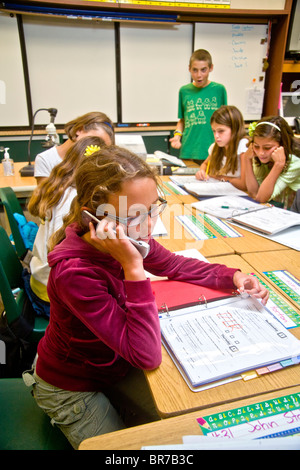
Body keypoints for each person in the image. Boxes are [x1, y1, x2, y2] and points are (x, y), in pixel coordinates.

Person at [22, 145, 269, 449]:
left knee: (180, 417)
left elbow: (173, 264)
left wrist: (232, 276)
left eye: (153, 209)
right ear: (95, 219)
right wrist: (133, 267)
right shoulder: (76, 273)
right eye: (137, 215)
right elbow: (146, 355)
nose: (149, 225)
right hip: (72, 387)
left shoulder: (127, 232)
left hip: (110, 365)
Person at [26, 136, 107, 317]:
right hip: (50, 295)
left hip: (42, 279)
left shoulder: (59, 187)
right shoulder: (71, 198)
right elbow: (57, 250)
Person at [169, 49, 227, 162]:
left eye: (203, 70)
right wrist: (177, 136)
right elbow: (182, 120)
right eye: (195, 70)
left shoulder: (219, 90)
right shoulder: (184, 91)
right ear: (189, 69)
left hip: (213, 151)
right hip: (188, 151)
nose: (199, 75)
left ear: (211, 68)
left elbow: (226, 122)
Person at [34, 111, 114, 185]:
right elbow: (46, 198)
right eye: (95, 141)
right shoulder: (45, 160)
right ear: (79, 130)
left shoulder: (96, 164)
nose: (98, 150)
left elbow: (122, 196)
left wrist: (122, 199)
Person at [244, 116, 300, 205]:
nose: (261, 153)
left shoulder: (295, 162)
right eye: (256, 146)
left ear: (282, 145)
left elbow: (261, 198)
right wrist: (246, 159)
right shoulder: (261, 156)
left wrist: (278, 164)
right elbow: (254, 193)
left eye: (267, 148)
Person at [195, 105, 248, 190]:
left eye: (221, 131)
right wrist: (202, 171)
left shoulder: (243, 146)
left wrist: (220, 177)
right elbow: (205, 164)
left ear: (234, 129)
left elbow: (244, 185)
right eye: (214, 131)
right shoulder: (216, 147)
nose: (216, 136)